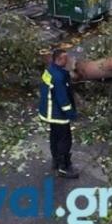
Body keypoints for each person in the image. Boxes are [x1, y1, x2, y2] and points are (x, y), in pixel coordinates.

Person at [38, 49, 79, 179]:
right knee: (64, 140)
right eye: (65, 59)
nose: (67, 61)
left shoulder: (50, 70)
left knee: (54, 137)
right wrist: (71, 114)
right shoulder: (58, 77)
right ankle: (64, 167)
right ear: (59, 60)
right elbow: (63, 99)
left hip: (49, 111)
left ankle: (56, 161)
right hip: (58, 114)